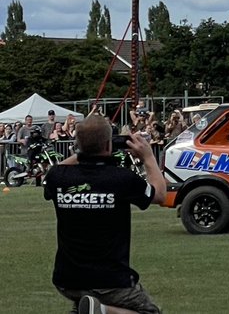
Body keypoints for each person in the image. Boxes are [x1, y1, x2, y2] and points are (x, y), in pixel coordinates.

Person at [45, 114, 166, 314]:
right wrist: (148, 157)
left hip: (68, 279)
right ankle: (100, 310)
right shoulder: (122, 178)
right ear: (109, 144)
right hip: (110, 280)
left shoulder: (59, 176)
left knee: (83, 306)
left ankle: (90, 309)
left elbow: (57, 169)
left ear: (77, 144)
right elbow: (160, 194)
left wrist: (85, 151)